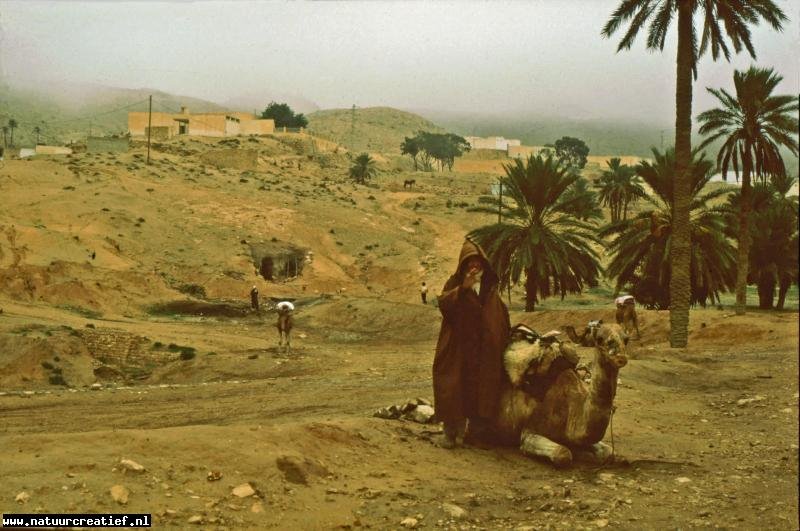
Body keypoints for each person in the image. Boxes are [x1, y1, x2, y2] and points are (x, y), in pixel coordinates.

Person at [433, 238, 510, 449]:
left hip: (483, 352)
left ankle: (476, 433)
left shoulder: (490, 290)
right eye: (470, 263)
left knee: (481, 391)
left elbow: (500, 317)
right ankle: (451, 434)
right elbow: (444, 305)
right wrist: (463, 289)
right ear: (463, 265)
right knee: (454, 388)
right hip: (459, 349)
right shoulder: (454, 284)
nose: (474, 268)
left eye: (478, 263)